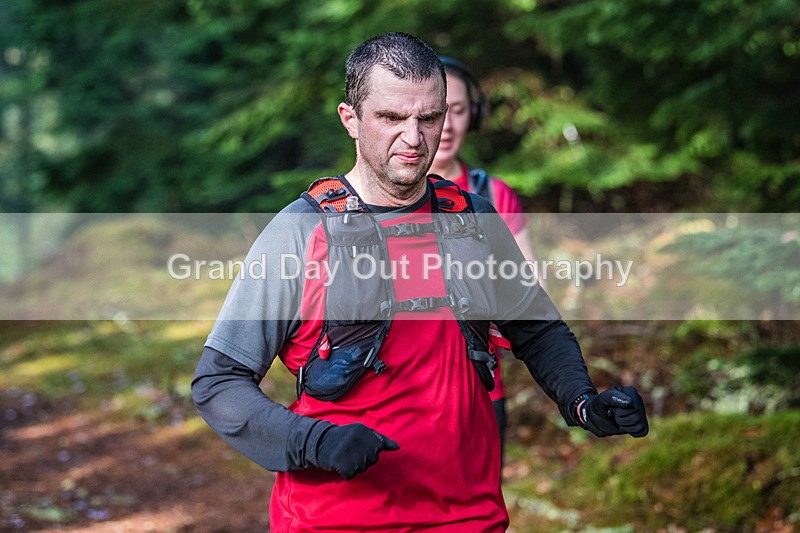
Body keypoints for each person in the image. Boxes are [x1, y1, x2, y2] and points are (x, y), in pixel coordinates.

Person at [192, 32, 648, 532]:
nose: (414, 137)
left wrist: (583, 402)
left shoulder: (473, 220)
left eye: (429, 118)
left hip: (469, 518)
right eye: (391, 117)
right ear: (351, 120)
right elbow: (219, 383)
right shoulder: (300, 233)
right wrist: (314, 441)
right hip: (334, 522)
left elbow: (537, 330)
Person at [428, 56, 537, 459]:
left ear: (472, 116)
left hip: (481, 390)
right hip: (399, 394)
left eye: (458, 111)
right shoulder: (380, 196)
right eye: (438, 112)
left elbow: (529, 297)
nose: (449, 126)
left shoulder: (494, 196)